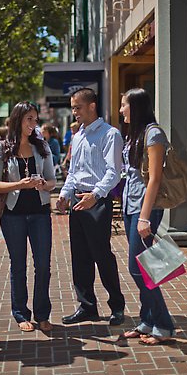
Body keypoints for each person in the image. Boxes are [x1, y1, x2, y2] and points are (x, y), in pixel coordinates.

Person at [56, 88, 125, 326]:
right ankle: (87, 307)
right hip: (78, 200)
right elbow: (73, 172)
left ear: (92, 106)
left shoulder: (110, 134)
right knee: (80, 257)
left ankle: (117, 306)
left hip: (97, 201)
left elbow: (114, 172)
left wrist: (94, 196)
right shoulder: (78, 136)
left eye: (78, 107)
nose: (74, 112)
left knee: (102, 256)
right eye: (73, 108)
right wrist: (65, 195)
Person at [0, 102, 56, 333]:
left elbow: (52, 180)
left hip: (40, 214)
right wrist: (20, 184)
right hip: (13, 216)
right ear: (18, 119)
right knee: (18, 265)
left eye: (35, 119)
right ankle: (20, 313)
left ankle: (43, 313)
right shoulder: (0, 148)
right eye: (29, 119)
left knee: (43, 266)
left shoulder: (42, 146)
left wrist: (42, 185)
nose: (33, 124)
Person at [117, 87, 176, 345]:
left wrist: (144, 217)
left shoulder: (154, 134)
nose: (121, 110)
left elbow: (154, 179)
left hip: (146, 209)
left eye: (124, 105)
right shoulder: (135, 134)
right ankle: (147, 321)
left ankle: (163, 325)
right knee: (143, 267)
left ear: (136, 106)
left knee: (140, 268)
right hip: (132, 206)